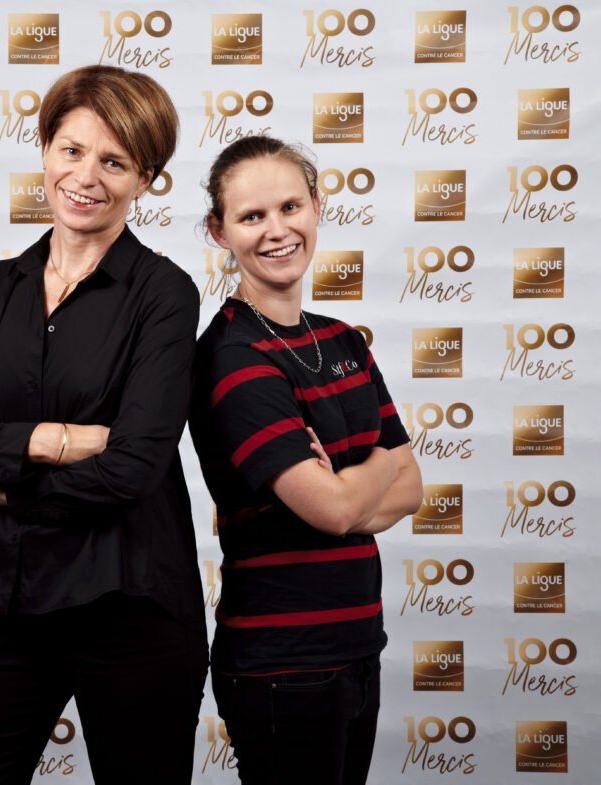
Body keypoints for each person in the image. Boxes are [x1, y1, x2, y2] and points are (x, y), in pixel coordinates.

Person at [0, 65, 208, 785]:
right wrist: (54, 439)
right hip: (8, 600)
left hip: (130, 605)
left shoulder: (164, 293)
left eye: (114, 161)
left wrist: (2, 478)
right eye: (71, 150)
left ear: (146, 177)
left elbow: (135, 466)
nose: (86, 176)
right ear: (44, 147)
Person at [189, 135, 423, 785]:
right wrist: (374, 465)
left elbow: (413, 488)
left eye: (290, 206)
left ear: (317, 207)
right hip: (281, 666)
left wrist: (351, 483)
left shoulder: (341, 339)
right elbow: (337, 505)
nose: (276, 230)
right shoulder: (231, 356)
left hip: (356, 648)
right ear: (219, 230)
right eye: (251, 216)